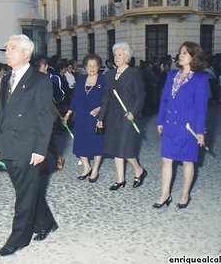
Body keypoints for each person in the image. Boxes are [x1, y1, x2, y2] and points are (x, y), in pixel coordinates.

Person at [0, 34, 57, 256]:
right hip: (9, 145)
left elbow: (46, 117)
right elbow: (2, 115)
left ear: (26, 53)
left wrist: (40, 149)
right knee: (26, 190)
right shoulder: (7, 78)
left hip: (28, 146)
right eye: (7, 48)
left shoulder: (41, 80)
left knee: (23, 195)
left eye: (13, 48)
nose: (7, 52)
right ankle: (46, 222)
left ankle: (18, 238)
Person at [154, 41, 209, 209]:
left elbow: (201, 107)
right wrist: (160, 120)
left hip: (188, 127)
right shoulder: (172, 75)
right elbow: (164, 99)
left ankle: (185, 193)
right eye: (180, 53)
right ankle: (165, 194)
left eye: (185, 53)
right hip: (170, 124)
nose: (180, 55)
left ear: (194, 57)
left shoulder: (201, 78)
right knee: (166, 160)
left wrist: (200, 131)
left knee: (187, 160)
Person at [97, 42, 148, 191]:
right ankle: (120, 179)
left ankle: (138, 170)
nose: (116, 57)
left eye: (119, 54)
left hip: (128, 115)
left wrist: (134, 112)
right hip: (113, 115)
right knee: (115, 146)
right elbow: (105, 98)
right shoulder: (109, 74)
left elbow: (140, 96)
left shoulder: (134, 73)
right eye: (115, 54)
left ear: (127, 57)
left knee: (124, 147)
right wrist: (101, 118)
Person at [64, 54, 106, 182]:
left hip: (97, 117)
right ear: (85, 67)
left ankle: (96, 169)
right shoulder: (81, 79)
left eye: (95, 65)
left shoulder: (103, 80)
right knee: (80, 142)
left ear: (99, 67)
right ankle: (86, 167)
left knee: (97, 143)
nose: (92, 68)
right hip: (81, 116)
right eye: (89, 65)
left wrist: (100, 109)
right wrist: (68, 113)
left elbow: (108, 98)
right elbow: (75, 98)